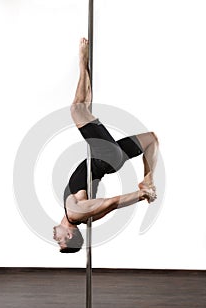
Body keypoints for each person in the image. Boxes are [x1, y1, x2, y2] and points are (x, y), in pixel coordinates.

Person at [53, 38, 159, 253]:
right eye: (61, 241)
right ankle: (82, 62)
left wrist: (144, 191)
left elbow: (110, 206)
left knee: (151, 139)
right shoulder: (76, 213)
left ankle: (148, 178)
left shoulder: (83, 216)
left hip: (109, 159)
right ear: (70, 234)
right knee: (77, 110)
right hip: (105, 158)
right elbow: (112, 201)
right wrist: (141, 195)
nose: (56, 238)